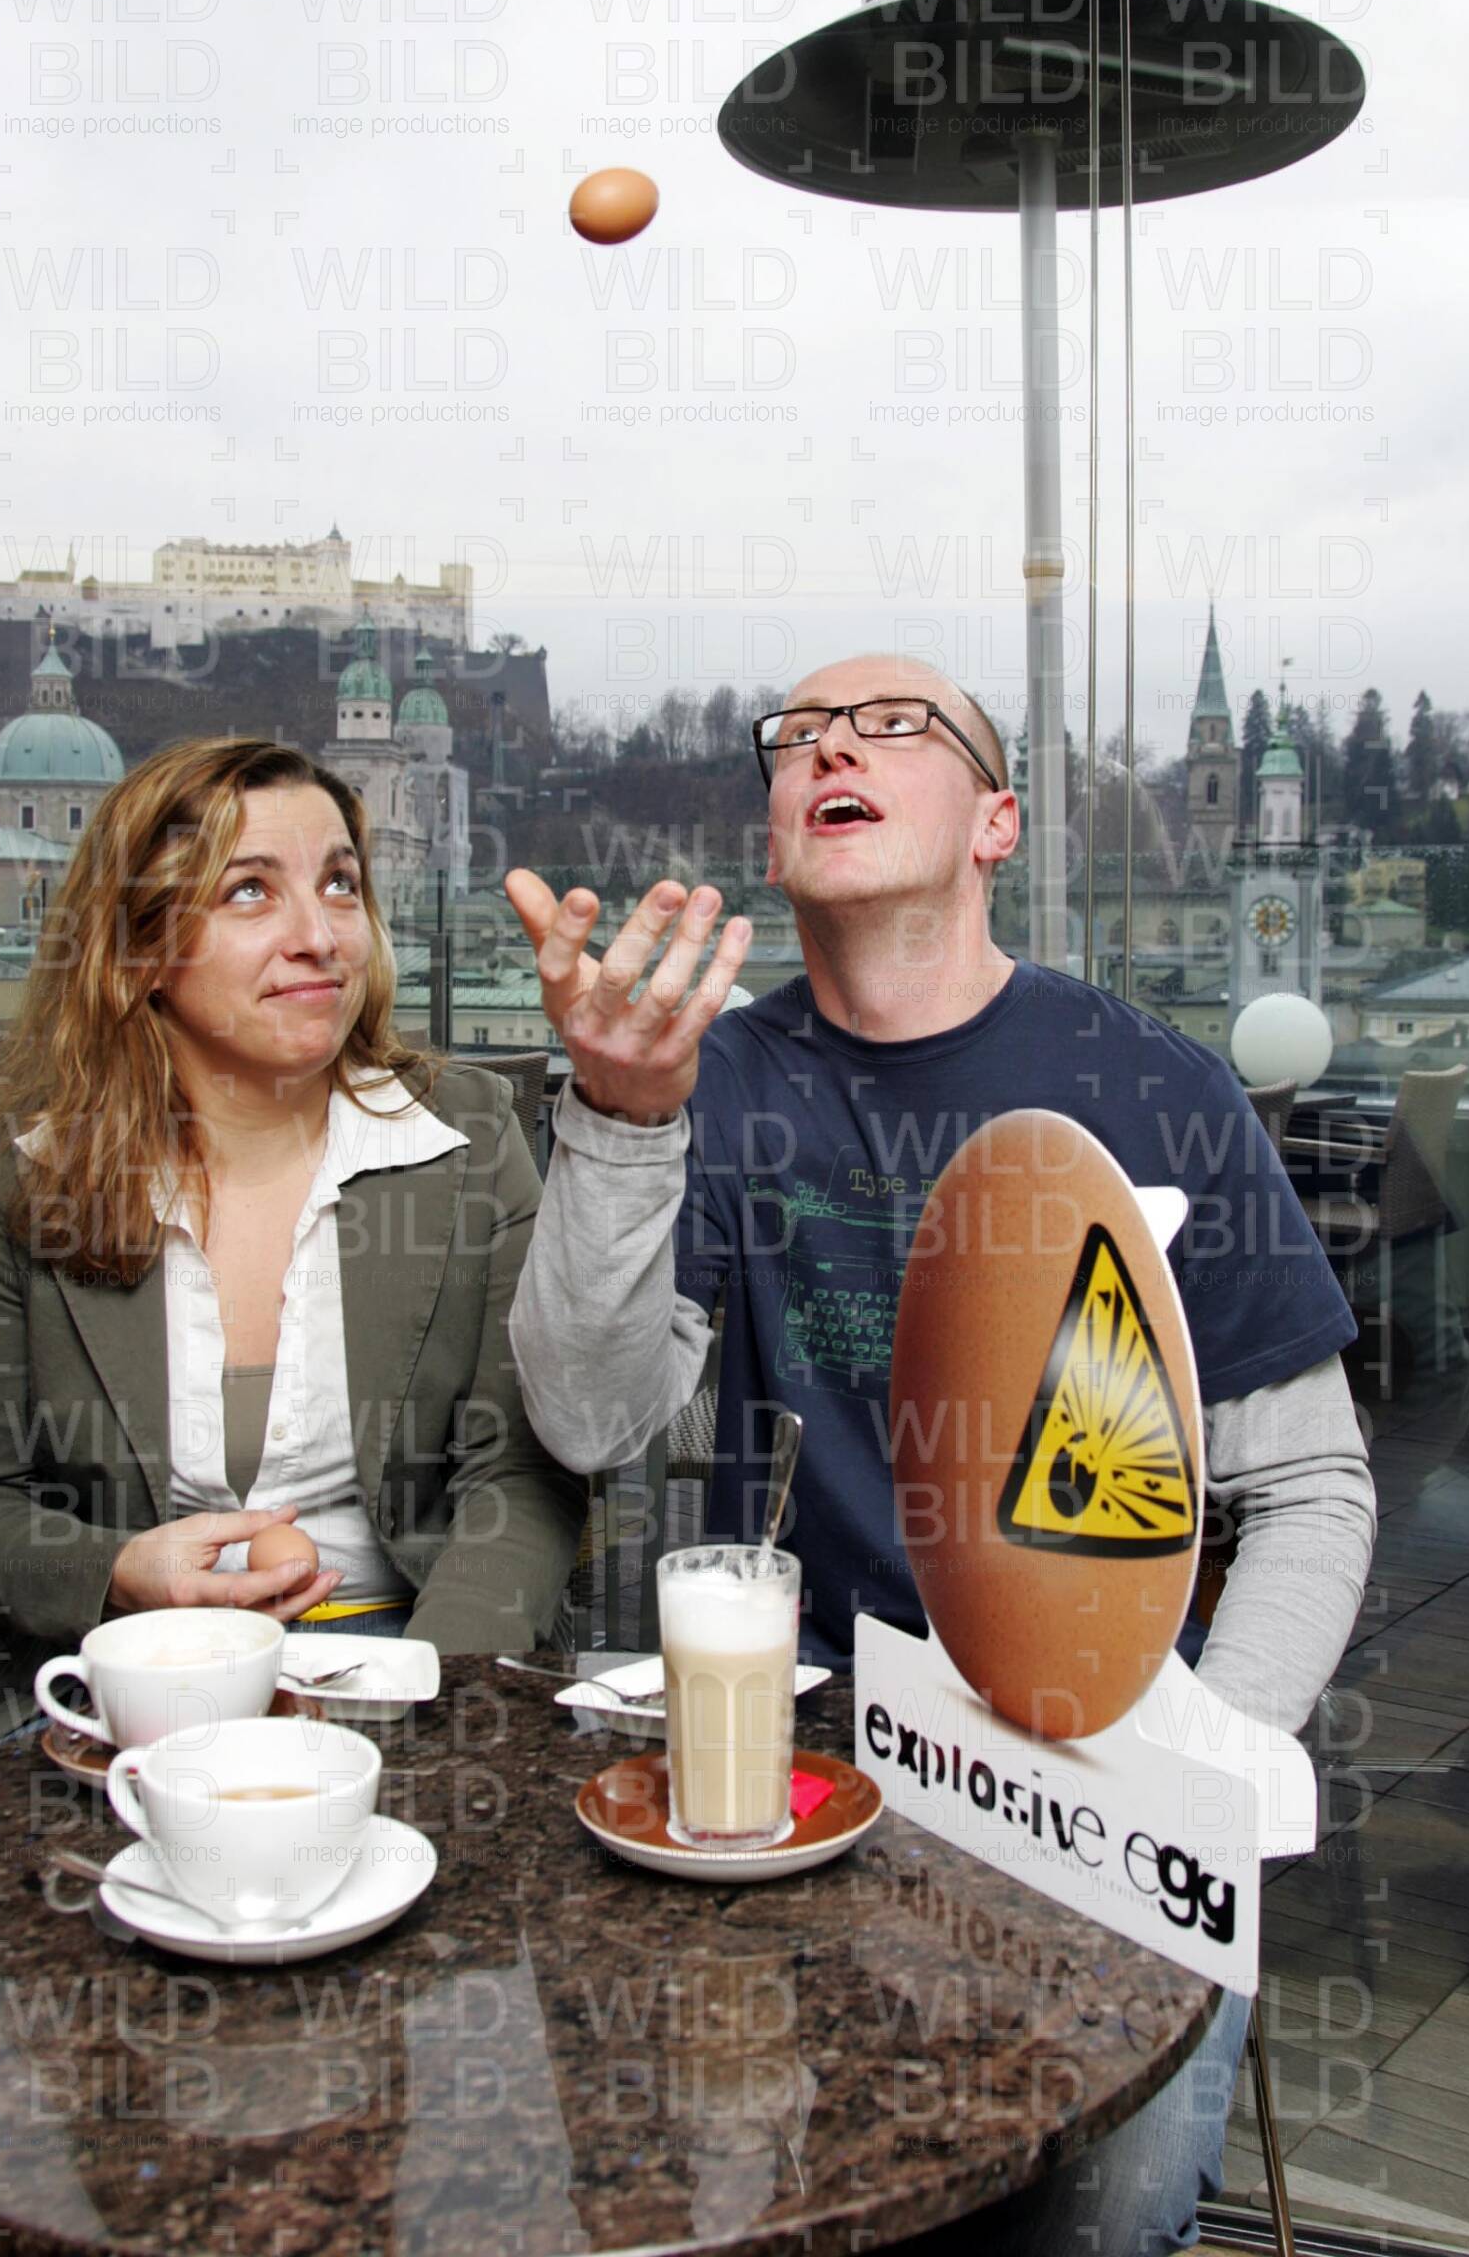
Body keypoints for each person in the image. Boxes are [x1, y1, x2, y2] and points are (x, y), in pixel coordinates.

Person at [504, 652, 1376, 2257]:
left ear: (996, 823)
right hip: (805, 1760)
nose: (833, 745)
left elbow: (1311, 1485)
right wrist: (620, 1116)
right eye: (799, 737)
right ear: (776, 834)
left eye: (894, 726)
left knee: (1103, 2210)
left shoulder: (1152, 1086)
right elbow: (588, 1420)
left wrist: (1205, 1760)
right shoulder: (712, 1082)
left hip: (1100, 1768)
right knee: (728, 2177)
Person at [0, 736, 585, 1763]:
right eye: (249, 891)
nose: (321, 937)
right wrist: (116, 1573)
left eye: (339, 884)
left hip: (413, 1648)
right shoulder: (23, 1168)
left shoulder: (467, 1136)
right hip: (123, 1671)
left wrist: (427, 1694)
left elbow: (519, 1476)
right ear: (137, 949)